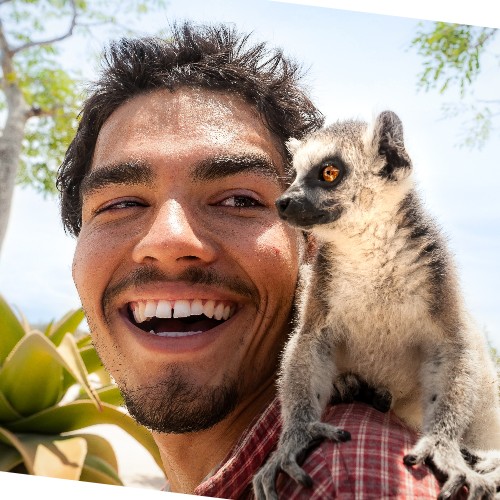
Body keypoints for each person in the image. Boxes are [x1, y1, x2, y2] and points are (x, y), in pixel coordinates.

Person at [57, 22, 441, 498]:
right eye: (120, 204)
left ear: (315, 248)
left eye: (239, 200)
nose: (170, 239)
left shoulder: (345, 476)